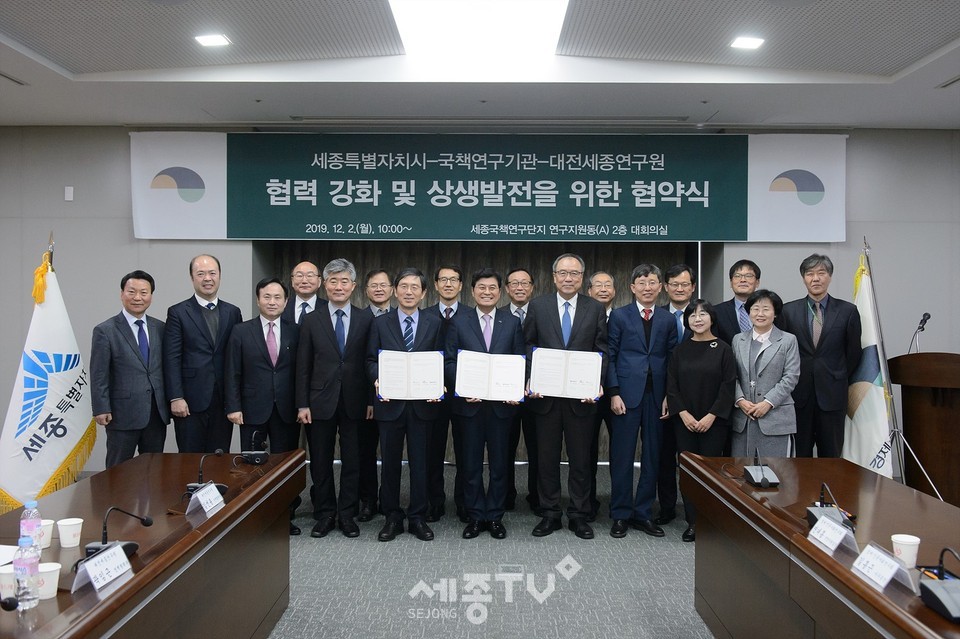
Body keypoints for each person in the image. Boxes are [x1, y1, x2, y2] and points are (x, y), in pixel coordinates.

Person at [524, 253, 607, 540]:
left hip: (581, 400)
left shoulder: (594, 308)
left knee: (581, 459)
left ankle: (579, 515)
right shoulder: (538, 306)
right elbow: (529, 346)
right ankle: (549, 513)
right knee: (546, 459)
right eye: (563, 273)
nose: (568, 278)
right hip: (545, 399)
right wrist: (531, 378)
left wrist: (597, 383)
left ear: (582, 278)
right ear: (554, 276)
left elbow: (602, 351)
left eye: (574, 273)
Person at [444, 268, 524, 539]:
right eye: (482, 287)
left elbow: (519, 361)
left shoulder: (511, 322)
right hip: (469, 405)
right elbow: (449, 360)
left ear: (500, 292)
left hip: (501, 407)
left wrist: (515, 387)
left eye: (492, 288)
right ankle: (476, 516)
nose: (487, 292)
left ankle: (495, 516)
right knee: (470, 464)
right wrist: (464, 386)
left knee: (501, 464)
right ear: (473, 290)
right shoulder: (459, 321)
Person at [367, 267, 445, 542]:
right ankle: (391, 516)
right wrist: (377, 380)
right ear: (394, 291)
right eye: (404, 286)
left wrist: (440, 384)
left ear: (424, 293)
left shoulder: (435, 323)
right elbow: (370, 360)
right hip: (390, 404)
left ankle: (417, 517)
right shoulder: (380, 323)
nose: (409, 291)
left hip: (423, 405)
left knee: (421, 463)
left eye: (415, 287)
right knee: (389, 463)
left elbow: (441, 359)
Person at [296, 259, 373, 539]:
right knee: (320, 460)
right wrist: (302, 403)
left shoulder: (366, 318)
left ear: (353, 286)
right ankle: (325, 513)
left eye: (344, 282)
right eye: (333, 281)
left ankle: (348, 514)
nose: (338, 287)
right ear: (323, 285)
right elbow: (303, 365)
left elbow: (369, 362)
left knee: (353, 460)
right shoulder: (311, 319)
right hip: (319, 403)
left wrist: (371, 400)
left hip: (355, 401)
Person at [606, 264, 678, 539]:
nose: (647, 288)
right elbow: (610, 355)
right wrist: (614, 392)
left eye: (652, 283)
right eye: (642, 283)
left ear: (660, 287)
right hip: (625, 394)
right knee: (622, 456)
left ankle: (643, 513)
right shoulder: (620, 317)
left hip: (657, 396)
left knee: (653, 456)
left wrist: (670, 397)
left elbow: (672, 361)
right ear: (632, 287)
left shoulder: (667, 319)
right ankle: (621, 513)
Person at [225, 277, 300, 535]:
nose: (272, 302)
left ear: (286, 301)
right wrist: (234, 406)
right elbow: (232, 372)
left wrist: (302, 405)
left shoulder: (295, 330)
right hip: (251, 410)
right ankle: (251, 516)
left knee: (283, 466)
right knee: (251, 466)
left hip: (286, 410)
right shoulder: (241, 331)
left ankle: (283, 516)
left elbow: (301, 373)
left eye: (278, 297)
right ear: (258, 300)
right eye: (267, 297)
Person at [665, 299, 736, 542]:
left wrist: (711, 416)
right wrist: (682, 413)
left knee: (711, 472)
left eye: (703, 314)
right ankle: (693, 521)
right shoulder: (680, 350)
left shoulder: (724, 349)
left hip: (714, 422)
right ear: (687, 321)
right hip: (684, 420)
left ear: (712, 319)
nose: (698, 318)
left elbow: (728, 386)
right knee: (688, 472)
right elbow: (671, 386)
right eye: (693, 315)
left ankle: (711, 521)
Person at [780, 254, 862, 458]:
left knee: (832, 455)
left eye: (821, 273)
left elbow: (853, 353)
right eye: (810, 274)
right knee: (800, 457)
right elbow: (782, 352)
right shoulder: (789, 311)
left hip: (833, 395)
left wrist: (837, 374)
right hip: (798, 395)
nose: (815, 278)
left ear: (830, 276)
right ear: (803, 278)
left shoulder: (847, 311)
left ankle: (830, 491)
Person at [163, 254, 242, 453]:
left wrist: (236, 399)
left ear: (220, 276)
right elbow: (171, 357)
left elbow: (237, 357)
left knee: (219, 456)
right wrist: (176, 397)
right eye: (201, 273)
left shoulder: (233, 312)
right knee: (190, 460)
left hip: (223, 400)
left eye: (212, 273)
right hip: (190, 400)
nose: (207, 278)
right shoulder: (178, 312)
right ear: (192, 278)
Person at [90, 270, 169, 468]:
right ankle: (113, 501)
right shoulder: (105, 330)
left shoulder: (161, 328)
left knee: (154, 469)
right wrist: (101, 407)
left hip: (155, 413)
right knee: (118, 469)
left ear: (151, 296)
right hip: (121, 414)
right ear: (122, 294)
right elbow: (99, 373)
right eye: (132, 292)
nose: (137, 298)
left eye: (144, 292)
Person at [422, 265, 472, 523]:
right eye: (444, 279)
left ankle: (464, 501)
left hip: (466, 396)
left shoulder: (472, 316)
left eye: (454, 279)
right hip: (431, 395)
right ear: (436, 284)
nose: (449, 284)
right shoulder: (424, 315)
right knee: (432, 451)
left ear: (461, 285)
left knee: (466, 451)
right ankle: (434, 501)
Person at [731, 290, 800, 458]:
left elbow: (791, 376)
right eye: (755, 309)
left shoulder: (788, 340)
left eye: (766, 309)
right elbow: (731, 376)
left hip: (775, 418)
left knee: (776, 474)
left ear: (775, 313)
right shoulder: (738, 340)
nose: (760, 314)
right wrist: (740, 400)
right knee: (740, 474)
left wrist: (768, 402)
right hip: (743, 419)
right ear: (748, 312)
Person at [655, 263, 697, 526]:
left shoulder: (704, 315)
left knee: (692, 459)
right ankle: (667, 507)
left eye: (685, 284)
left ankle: (695, 511)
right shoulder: (656, 315)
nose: (679, 289)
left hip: (696, 402)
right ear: (666, 288)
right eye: (674, 284)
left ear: (692, 287)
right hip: (662, 399)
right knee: (663, 455)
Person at [357, 269, 393, 522]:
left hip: (398, 400)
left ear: (392, 289)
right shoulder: (358, 319)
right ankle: (368, 499)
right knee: (366, 452)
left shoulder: (402, 316)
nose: (379, 289)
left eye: (383, 285)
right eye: (373, 285)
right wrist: (370, 399)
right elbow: (363, 362)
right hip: (364, 399)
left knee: (392, 453)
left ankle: (390, 498)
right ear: (366, 290)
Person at [503, 267, 539, 514]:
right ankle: (506, 495)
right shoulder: (499, 315)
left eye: (525, 283)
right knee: (505, 446)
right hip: (505, 395)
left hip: (537, 393)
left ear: (532, 287)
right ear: (506, 289)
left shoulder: (542, 313)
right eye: (514, 283)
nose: (519, 287)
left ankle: (537, 496)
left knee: (538, 447)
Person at [586, 270, 616, 521]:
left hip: (617, 395)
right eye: (598, 285)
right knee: (587, 450)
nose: (603, 289)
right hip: (586, 394)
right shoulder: (584, 314)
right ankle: (589, 501)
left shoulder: (624, 317)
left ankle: (617, 504)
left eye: (608, 285)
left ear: (615, 291)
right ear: (589, 291)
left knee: (619, 451)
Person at [715, 260, 762, 345]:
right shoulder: (717, 312)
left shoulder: (768, 311)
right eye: (737, 276)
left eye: (748, 276)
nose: (743, 280)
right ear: (731, 282)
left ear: (757, 282)